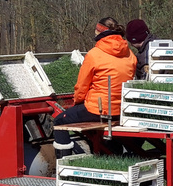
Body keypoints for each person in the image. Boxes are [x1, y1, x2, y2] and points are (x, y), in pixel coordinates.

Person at [52, 18, 137, 159]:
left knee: (59, 121)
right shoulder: (130, 55)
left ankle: (64, 165)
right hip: (121, 110)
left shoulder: (94, 54)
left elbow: (81, 86)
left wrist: (78, 102)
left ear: (99, 33)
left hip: (98, 109)